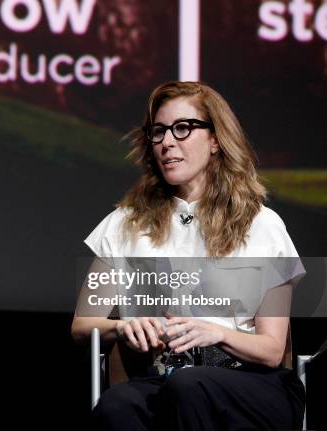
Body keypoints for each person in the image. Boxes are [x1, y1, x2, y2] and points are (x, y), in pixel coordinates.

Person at [71, 81, 305, 430]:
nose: (167, 142)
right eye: (159, 132)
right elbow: (82, 326)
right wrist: (123, 326)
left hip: (252, 384)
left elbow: (272, 350)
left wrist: (217, 333)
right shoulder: (124, 224)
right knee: (117, 404)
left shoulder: (263, 225)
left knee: (190, 386)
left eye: (183, 128)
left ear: (215, 140)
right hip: (167, 379)